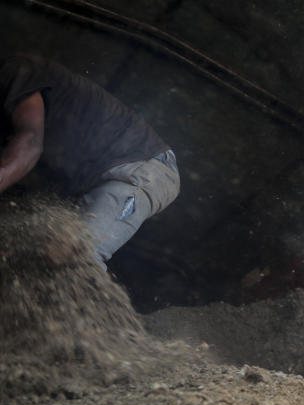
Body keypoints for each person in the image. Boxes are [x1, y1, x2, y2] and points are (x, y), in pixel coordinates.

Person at [0, 54, 180, 268]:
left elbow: (29, 145)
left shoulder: (17, 70)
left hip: (139, 168)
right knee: (35, 257)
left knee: (76, 257)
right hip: (85, 184)